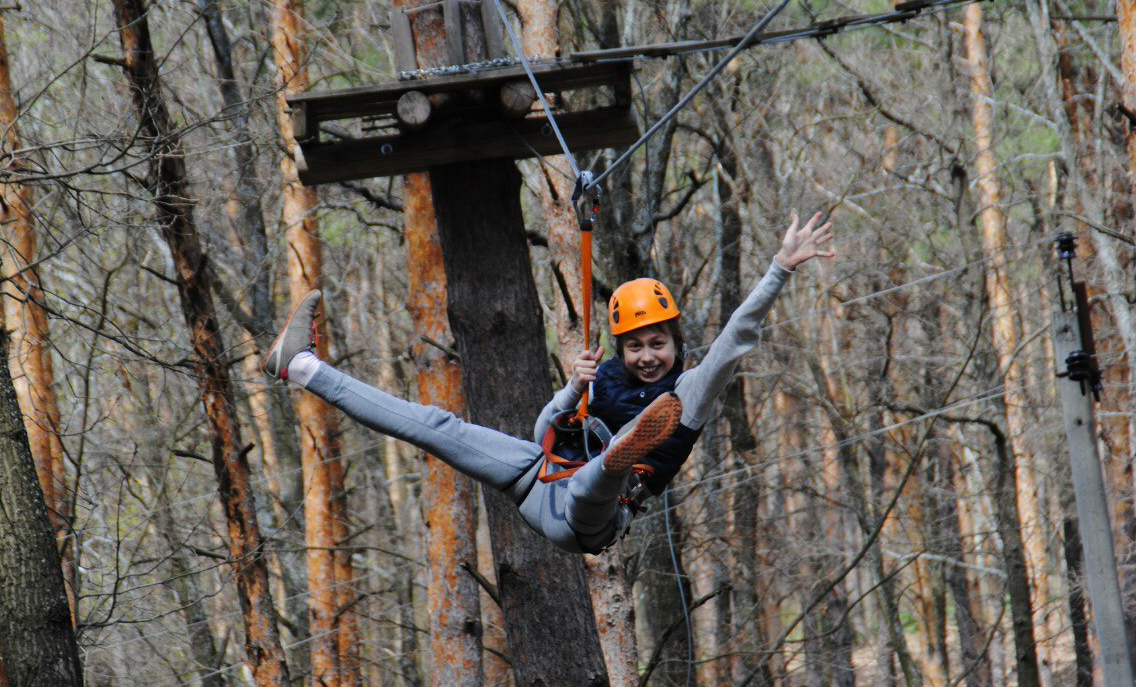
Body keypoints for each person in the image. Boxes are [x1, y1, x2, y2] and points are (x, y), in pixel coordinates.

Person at [266, 211, 833, 553]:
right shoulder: (604, 375)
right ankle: (301, 366)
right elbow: (544, 432)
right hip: (537, 483)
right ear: (621, 349)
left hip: (589, 519)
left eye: (657, 343)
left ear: (678, 344)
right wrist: (571, 391)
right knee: (436, 428)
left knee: (601, 475)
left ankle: (617, 457)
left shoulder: (690, 391)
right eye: (634, 346)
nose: (646, 356)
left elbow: (737, 334)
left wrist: (779, 269)